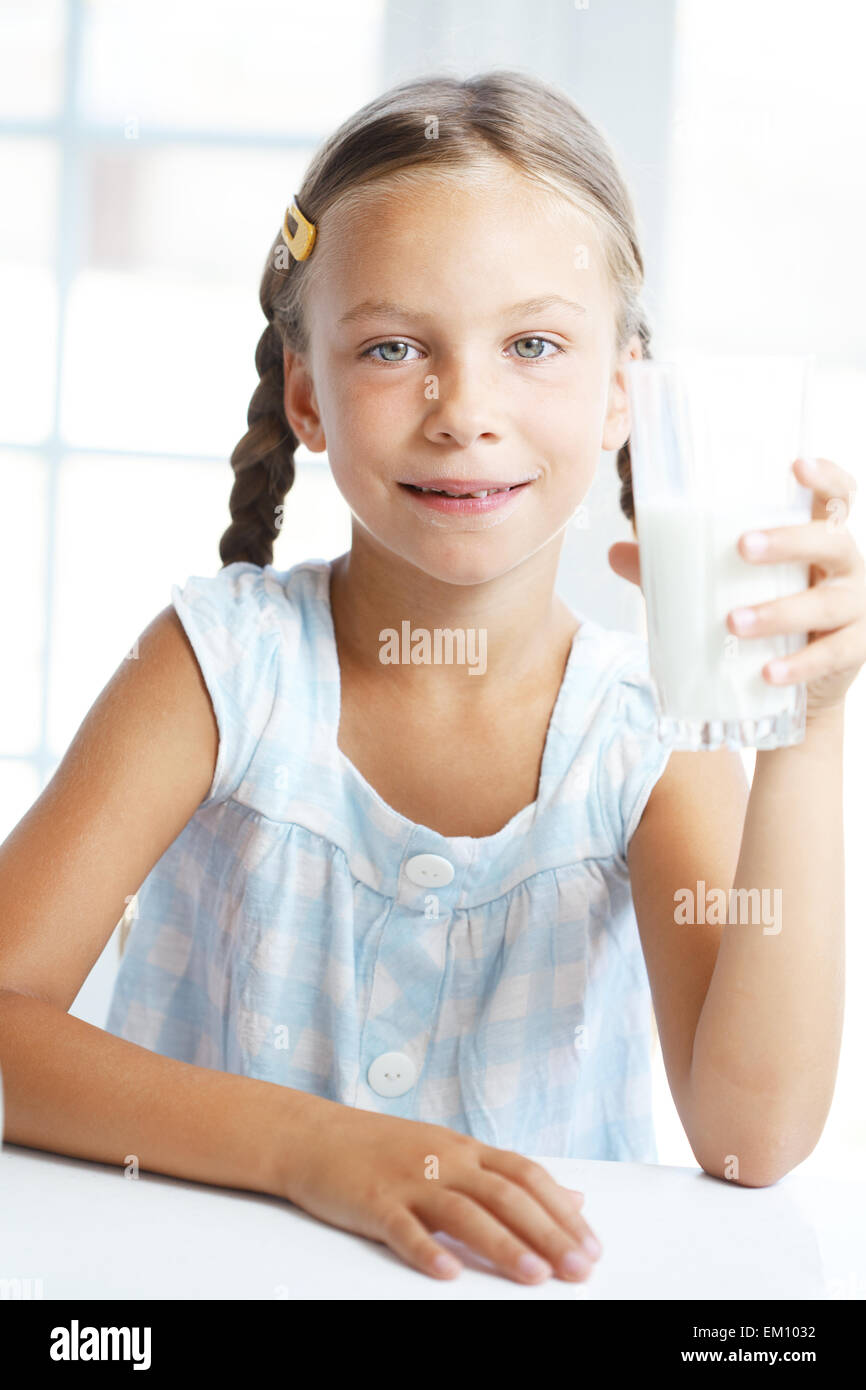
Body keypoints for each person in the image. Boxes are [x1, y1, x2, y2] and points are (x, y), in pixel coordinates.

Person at [1, 71, 860, 1290]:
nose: (465, 410)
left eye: (533, 344)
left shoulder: (640, 733)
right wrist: (313, 1148)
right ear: (307, 391)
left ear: (622, 391)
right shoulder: (218, 669)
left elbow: (748, 1135)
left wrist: (804, 729)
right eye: (396, 346)